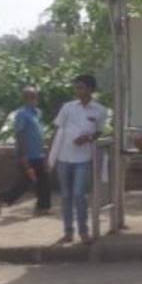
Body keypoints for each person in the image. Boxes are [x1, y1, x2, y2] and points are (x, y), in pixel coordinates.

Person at [50, 73, 108, 245]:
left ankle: (84, 231)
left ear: (91, 89)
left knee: (79, 194)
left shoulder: (100, 110)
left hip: (83, 158)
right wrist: (51, 155)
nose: (77, 90)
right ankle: (68, 232)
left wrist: (87, 138)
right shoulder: (67, 107)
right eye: (76, 87)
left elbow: (99, 132)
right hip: (63, 157)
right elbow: (57, 130)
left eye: (81, 87)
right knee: (66, 196)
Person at [0, 85, 50, 217]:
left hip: (38, 154)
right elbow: (20, 135)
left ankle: (43, 207)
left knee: (44, 180)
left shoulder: (37, 113)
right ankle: (0, 197)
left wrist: (44, 152)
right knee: (24, 182)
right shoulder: (22, 114)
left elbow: (39, 134)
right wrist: (23, 156)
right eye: (30, 97)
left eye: (35, 96)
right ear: (25, 98)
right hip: (27, 155)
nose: (33, 99)